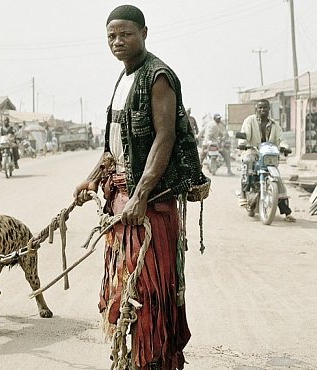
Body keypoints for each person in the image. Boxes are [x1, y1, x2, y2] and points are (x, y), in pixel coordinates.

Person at [73, 5, 190, 369]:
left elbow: (164, 137)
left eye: (125, 33)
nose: (117, 41)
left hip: (149, 201)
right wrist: (92, 177)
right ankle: (134, 358)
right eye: (111, 36)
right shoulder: (124, 78)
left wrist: (139, 196)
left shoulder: (158, 77)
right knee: (126, 287)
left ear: (144, 33)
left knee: (150, 289)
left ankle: (154, 361)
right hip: (121, 198)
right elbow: (113, 146)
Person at [238, 99, 295, 222]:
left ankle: (286, 211)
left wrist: (285, 147)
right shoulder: (250, 120)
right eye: (260, 108)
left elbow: (281, 138)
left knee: (277, 179)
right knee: (248, 161)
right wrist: (242, 143)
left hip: (269, 154)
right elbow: (245, 133)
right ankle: (244, 192)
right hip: (253, 150)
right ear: (256, 109)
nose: (262, 110)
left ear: (269, 109)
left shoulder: (274, 125)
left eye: (265, 108)